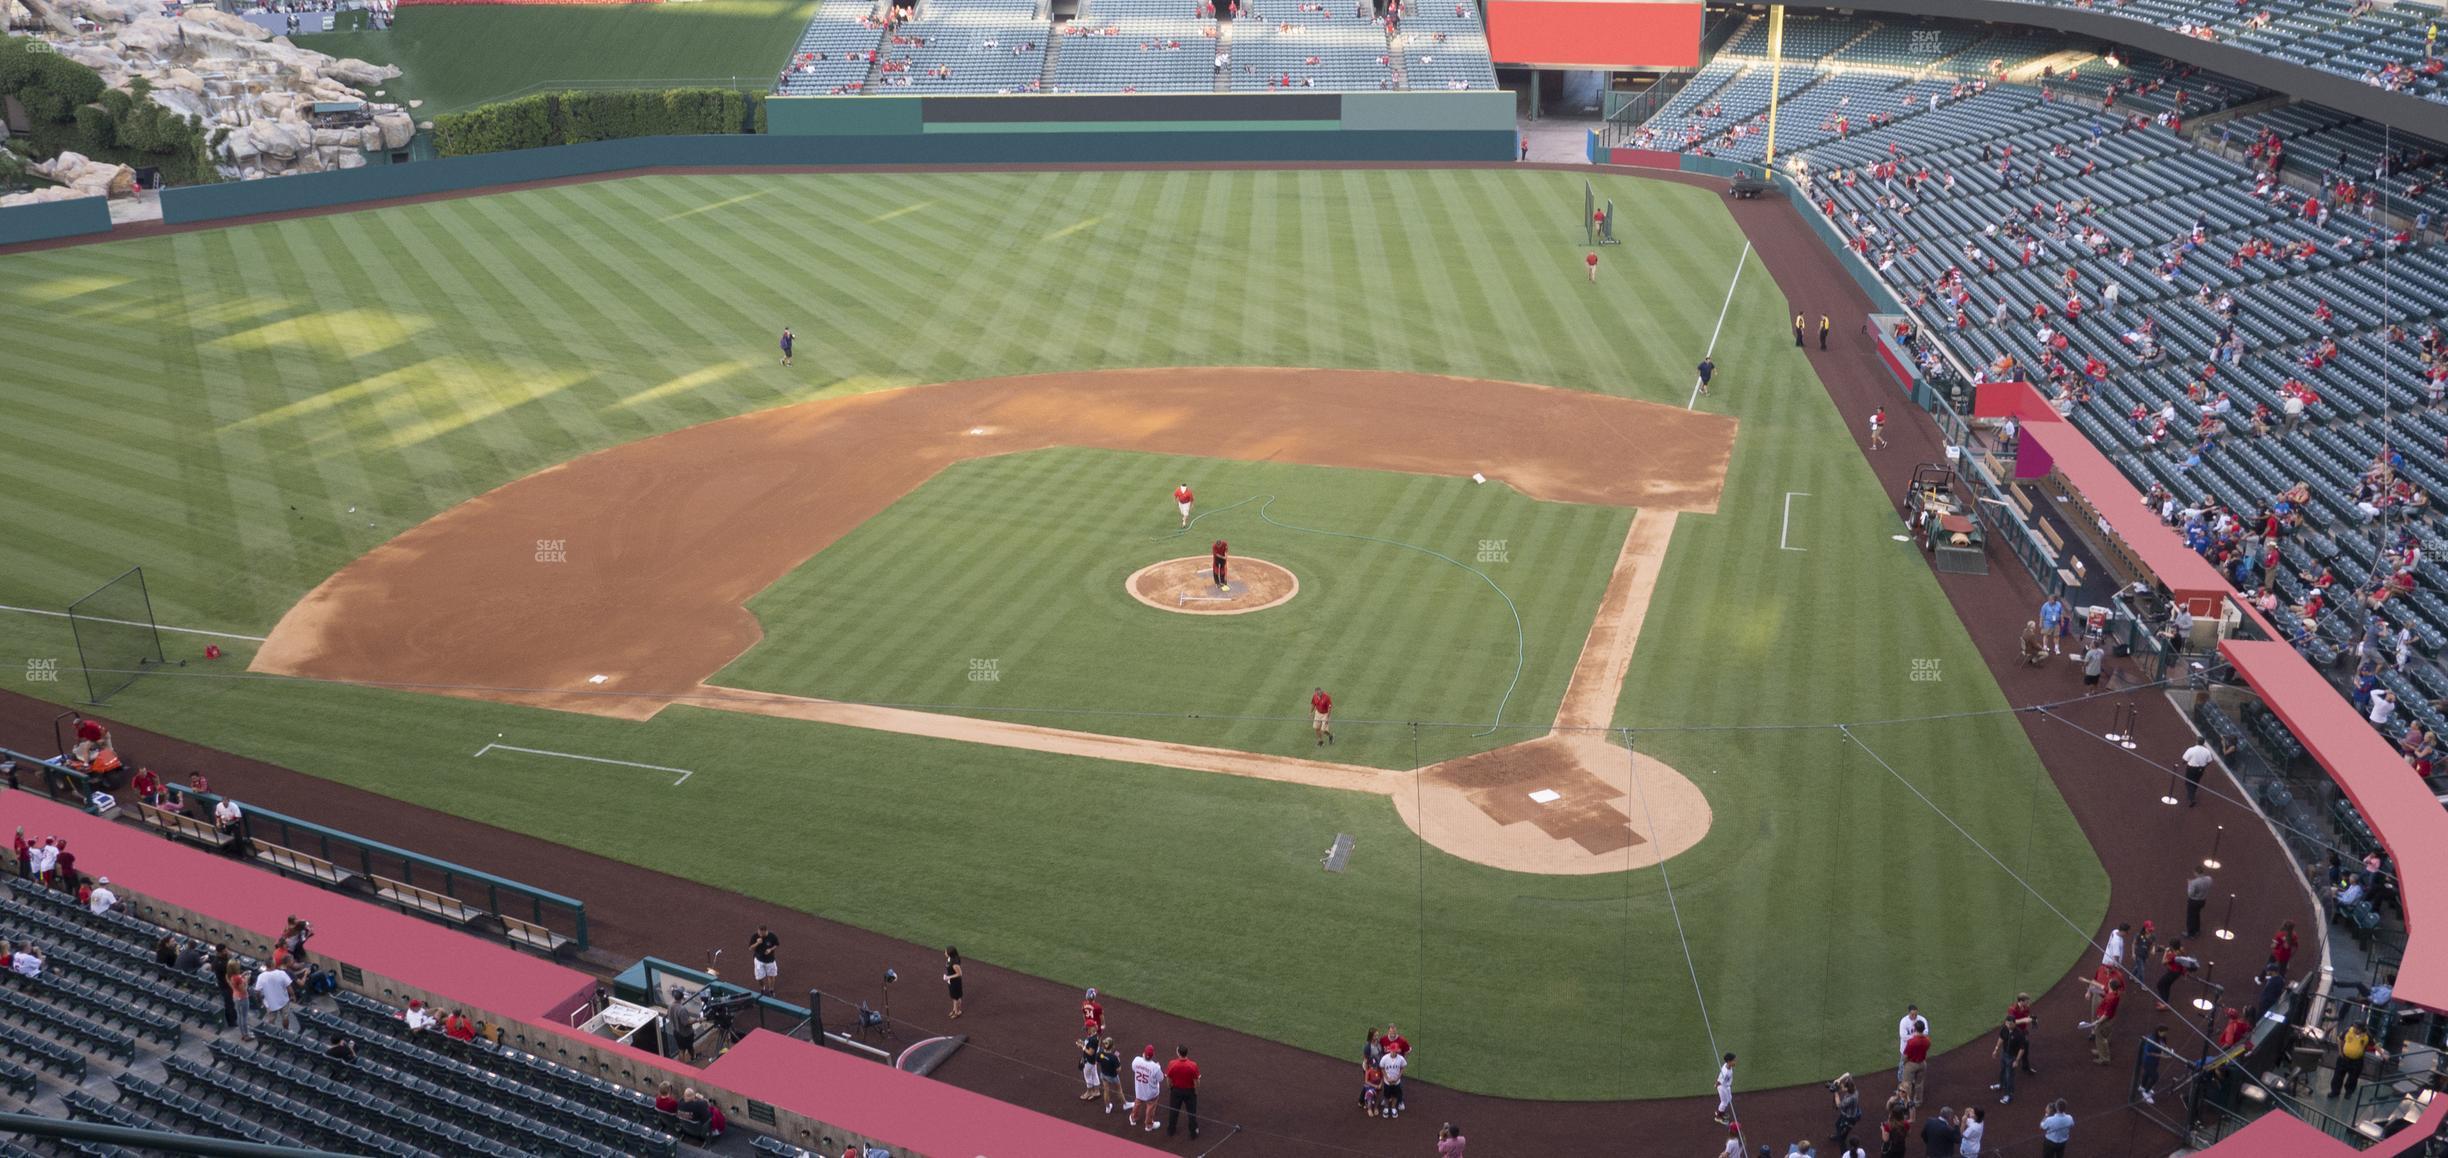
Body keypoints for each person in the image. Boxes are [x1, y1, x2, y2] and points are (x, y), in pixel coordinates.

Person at [2332, 1022, 2378, 1097]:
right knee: (2338, 1076)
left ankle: (2348, 1092)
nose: (2355, 1029)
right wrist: (2340, 1052)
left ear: (2361, 1029)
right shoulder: (2348, 1030)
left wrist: (2383, 1054)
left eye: (2357, 1028)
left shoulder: (2367, 1036)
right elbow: (2340, 1039)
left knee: (2353, 1078)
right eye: (2354, 1027)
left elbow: (2374, 1045)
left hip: (2357, 1061)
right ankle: (2335, 1092)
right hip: (2344, 1058)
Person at [1164, 1045, 1201, 1138]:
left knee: (1173, 1111)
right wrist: (1196, 1090)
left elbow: (1168, 1079)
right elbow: (1196, 1081)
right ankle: (1193, 1133)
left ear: (1178, 1053)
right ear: (1186, 1053)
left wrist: (1170, 1087)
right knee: (1191, 1112)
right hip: (1189, 1092)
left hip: (1176, 1091)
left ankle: (1171, 1131)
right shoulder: (1193, 1065)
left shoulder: (1172, 1064)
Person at [255, 964, 297, 1034]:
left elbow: (257, 991)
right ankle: (286, 1031)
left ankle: (271, 1034)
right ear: (273, 965)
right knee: (285, 1018)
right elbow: (289, 986)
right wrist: (293, 995)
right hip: (283, 1001)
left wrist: (259, 1000)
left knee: (271, 1020)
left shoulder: (261, 976)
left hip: (270, 1002)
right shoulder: (281, 973)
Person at [2180, 740, 2217, 806]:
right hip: (2201, 769)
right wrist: (2204, 765)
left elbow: (2185, 760)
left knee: (2188, 783)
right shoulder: (2207, 751)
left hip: (2191, 769)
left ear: (2197, 742)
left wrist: (2183, 763)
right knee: (2196, 782)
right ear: (2203, 743)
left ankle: (2192, 798)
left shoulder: (2191, 749)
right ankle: (2192, 794)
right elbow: (2209, 761)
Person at [1831, 1073, 1862, 1150]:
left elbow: (1839, 1105)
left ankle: (1844, 1149)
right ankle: (1839, 1136)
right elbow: (1848, 1074)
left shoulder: (1850, 1099)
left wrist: (1835, 1093)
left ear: (1847, 1089)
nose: (1841, 1087)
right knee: (1837, 1124)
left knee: (1842, 1136)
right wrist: (1839, 1079)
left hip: (1849, 1118)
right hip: (1845, 1114)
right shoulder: (1852, 1087)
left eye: (1842, 1086)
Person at [748, 924, 780, 996]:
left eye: (761, 933)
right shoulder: (755, 936)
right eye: (759, 932)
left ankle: (771, 990)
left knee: (771, 976)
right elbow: (750, 948)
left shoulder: (772, 936)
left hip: (770, 961)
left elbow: (776, 945)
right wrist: (757, 943)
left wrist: (770, 949)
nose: (760, 934)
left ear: (765, 931)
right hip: (759, 961)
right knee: (759, 978)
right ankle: (763, 988)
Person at [1381, 1045, 1408, 1118]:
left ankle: (1393, 1108)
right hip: (1387, 1082)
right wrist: (1387, 1078)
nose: (1394, 1052)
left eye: (1395, 1050)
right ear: (1390, 1050)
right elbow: (1382, 1068)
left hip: (1396, 1081)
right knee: (1386, 1095)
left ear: (1397, 1050)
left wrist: (1398, 1077)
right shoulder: (1385, 1058)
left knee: (1395, 1095)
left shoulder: (1401, 1058)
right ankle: (1386, 1108)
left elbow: (1403, 1067)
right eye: (1392, 1050)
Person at [2185, 870, 2214, 938]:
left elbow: (2190, 894)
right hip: (2202, 901)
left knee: (2191, 917)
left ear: (2196, 873)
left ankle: (2191, 933)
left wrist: (2189, 884)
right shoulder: (2209, 879)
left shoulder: (2194, 883)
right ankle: (2197, 929)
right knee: (2197, 915)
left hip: (2194, 902)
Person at [1714, 1052, 1737, 1124]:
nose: (1735, 1062)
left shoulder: (1727, 1065)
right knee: (1724, 1102)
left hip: (1726, 1086)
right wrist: (1716, 1085)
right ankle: (1718, 1117)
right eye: (1734, 1060)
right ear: (1729, 1061)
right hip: (1723, 1087)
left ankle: (1721, 1112)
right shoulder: (1725, 1072)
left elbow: (1719, 1076)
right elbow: (1719, 1080)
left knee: (1729, 1098)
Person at [942, 946, 963, 1018]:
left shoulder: (954, 963)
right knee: (954, 997)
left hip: (955, 982)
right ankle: (955, 1009)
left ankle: (957, 1012)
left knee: (956, 998)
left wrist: (948, 977)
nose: (944, 953)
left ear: (950, 953)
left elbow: (960, 974)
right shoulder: (949, 959)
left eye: (946, 952)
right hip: (951, 981)